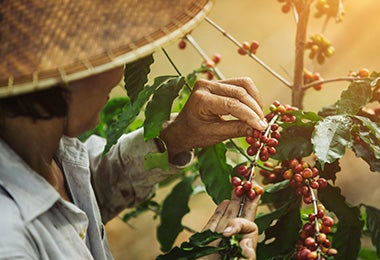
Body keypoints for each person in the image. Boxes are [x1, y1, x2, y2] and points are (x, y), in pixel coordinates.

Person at [0, 0, 267, 259]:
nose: (120, 73)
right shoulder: (9, 241)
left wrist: (175, 136)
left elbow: (86, 192)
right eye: (109, 54)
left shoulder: (48, 149)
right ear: (64, 71)